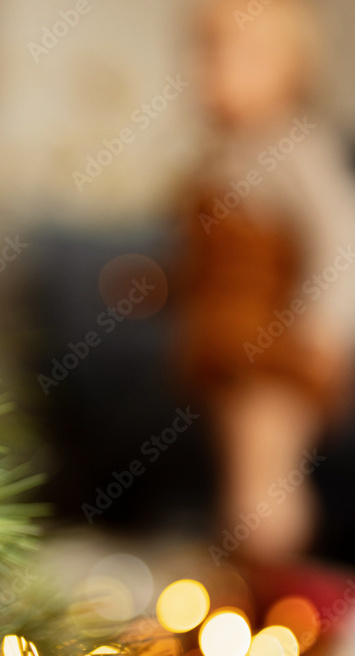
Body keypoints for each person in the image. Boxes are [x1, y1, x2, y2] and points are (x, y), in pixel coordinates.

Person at [175, 0, 355, 562]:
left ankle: (277, 597)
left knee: (264, 478)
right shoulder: (221, 158)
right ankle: (245, 590)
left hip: (278, 351)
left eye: (243, 55)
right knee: (238, 472)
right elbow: (208, 265)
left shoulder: (298, 150)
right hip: (226, 350)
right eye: (206, 52)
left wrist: (325, 332)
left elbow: (340, 246)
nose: (216, 71)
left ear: (292, 71)